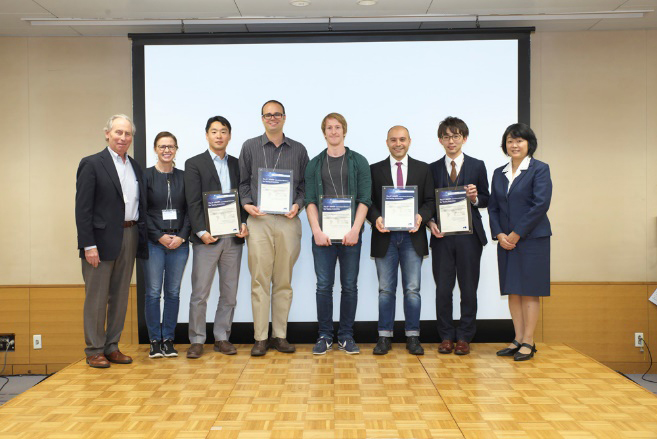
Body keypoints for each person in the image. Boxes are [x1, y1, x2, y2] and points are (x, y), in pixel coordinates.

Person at [75, 114, 148, 368]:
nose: (123, 138)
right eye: (118, 132)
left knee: (119, 296)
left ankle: (111, 346)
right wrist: (88, 245)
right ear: (107, 134)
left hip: (129, 235)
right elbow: (82, 209)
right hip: (100, 241)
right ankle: (94, 349)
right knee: (97, 297)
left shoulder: (135, 167)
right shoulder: (92, 164)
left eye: (128, 134)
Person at [238, 100, 309, 356]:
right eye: (268, 114)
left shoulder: (299, 150)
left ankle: (280, 335)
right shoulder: (249, 146)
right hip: (259, 220)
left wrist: (298, 204)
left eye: (277, 114)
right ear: (262, 118)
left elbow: (304, 186)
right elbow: (243, 183)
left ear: (284, 117)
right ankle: (260, 337)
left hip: (289, 221)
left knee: (283, 282)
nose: (272, 118)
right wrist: (247, 205)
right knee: (259, 280)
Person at [304, 113, 372, 355]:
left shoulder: (359, 161)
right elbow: (310, 200)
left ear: (344, 131)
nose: (333, 131)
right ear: (324, 133)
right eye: (329, 128)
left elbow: (365, 199)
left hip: (350, 235)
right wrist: (316, 231)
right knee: (323, 286)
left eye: (338, 127)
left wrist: (355, 229)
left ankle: (345, 336)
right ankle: (324, 335)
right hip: (322, 236)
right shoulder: (314, 163)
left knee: (349, 286)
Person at [367, 126, 435, 356]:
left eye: (402, 139)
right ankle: (384, 336)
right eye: (393, 140)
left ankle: (413, 336)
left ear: (410, 141)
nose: (398, 143)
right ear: (387, 142)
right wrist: (376, 217)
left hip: (412, 237)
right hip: (384, 237)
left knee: (412, 290)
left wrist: (421, 217)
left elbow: (429, 201)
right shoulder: (374, 170)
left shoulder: (423, 169)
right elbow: (368, 202)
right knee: (385, 290)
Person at [184, 116, 248, 359]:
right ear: (207, 135)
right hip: (207, 238)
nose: (219, 135)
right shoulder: (194, 164)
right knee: (200, 292)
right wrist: (201, 231)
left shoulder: (238, 164)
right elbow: (192, 201)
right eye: (214, 131)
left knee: (229, 292)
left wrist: (244, 222)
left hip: (233, 238)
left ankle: (222, 337)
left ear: (229, 135)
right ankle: (197, 339)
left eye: (223, 131)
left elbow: (244, 198)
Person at [489, 123, 552, 361]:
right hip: (506, 241)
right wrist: (499, 234)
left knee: (529, 292)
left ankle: (529, 341)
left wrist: (516, 233)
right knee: (513, 291)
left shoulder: (539, 169)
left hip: (532, 240)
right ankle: (517, 339)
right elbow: (493, 207)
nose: (514, 145)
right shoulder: (498, 172)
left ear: (529, 144)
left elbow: (540, 205)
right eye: (510, 141)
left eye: (519, 141)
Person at [428, 117, 489, 355]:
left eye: (455, 136)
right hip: (442, 236)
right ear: (440, 140)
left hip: (469, 237)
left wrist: (474, 198)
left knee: (468, 287)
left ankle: (464, 336)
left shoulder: (477, 165)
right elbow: (428, 202)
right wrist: (430, 223)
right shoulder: (431, 168)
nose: (451, 141)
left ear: (464, 138)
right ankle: (445, 336)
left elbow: (486, 198)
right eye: (446, 136)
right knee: (443, 288)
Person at [142, 131, 190, 359]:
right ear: (155, 149)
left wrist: (181, 236)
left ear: (176, 149)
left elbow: (192, 209)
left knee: (173, 292)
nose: (167, 150)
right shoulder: (146, 176)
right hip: (154, 243)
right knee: (153, 293)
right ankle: (154, 340)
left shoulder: (184, 177)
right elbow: (142, 211)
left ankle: (168, 340)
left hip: (179, 243)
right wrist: (159, 236)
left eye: (171, 146)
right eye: (162, 146)